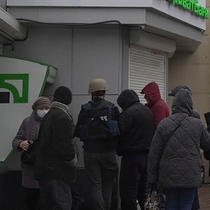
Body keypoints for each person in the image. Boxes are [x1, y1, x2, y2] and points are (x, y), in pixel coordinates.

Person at [148, 87, 210, 210]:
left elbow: (154, 153)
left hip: (168, 173)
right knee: (186, 205)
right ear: (190, 105)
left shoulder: (164, 124)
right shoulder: (197, 124)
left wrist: (152, 178)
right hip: (190, 173)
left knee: (171, 204)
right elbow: (209, 144)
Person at [74, 78, 120, 210]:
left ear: (91, 93)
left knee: (95, 187)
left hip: (91, 153)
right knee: (108, 186)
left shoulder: (85, 109)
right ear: (104, 92)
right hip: (109, 153)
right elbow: (119, 129)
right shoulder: (112, 108)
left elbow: (77, 131)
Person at [34, 86, 77, 210]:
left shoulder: (49, 115)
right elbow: (64, 145)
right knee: (62, 205)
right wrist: (72, 159)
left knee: (47, 205)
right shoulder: (62, 117)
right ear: (68, 100)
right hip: (58, 171)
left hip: (45, 170)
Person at [116, 89, 155, 210]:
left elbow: (120, 133)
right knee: (144, 189)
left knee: (128, 190)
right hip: (147, 155)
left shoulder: (128, 114)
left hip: (131, 156)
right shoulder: (148, 111)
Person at [12, 96, 51, 210]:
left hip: (48, 170)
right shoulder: (27, 122)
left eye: (46, 108)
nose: (44, 110)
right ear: (36, 109)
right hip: (30, 171)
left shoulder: (53, 122)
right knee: (31, 201)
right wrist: (20, 143)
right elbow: (16, 140)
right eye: (41, 108)